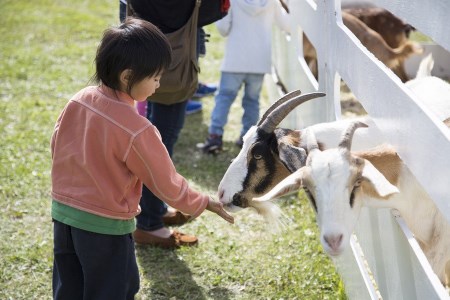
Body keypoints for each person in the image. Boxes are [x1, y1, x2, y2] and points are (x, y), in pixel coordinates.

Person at [50, 18, 234, 299]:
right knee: (116, 289)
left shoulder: (79, 99)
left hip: (63, 216)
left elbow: (57, 144)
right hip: (105, 226)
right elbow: (166, 184)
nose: (158, 85)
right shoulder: (137, 130)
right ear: (127, 77)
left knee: (70, 288)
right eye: (156, 77)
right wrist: (203, 202)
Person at [126, 0, 228, 247]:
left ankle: (154, 209)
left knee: (158, 139)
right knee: (159, 145)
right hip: (172, 68)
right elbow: (211, 11)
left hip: (142, 55)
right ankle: (148, 224)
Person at [200, 0, 290, 153]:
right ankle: (248, 137)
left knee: (224, 97)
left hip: (235, 60)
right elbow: (286, 25)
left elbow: (223, 29)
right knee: (252, 100)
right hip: (259, 61)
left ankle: (215, 136)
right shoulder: (272, 2)